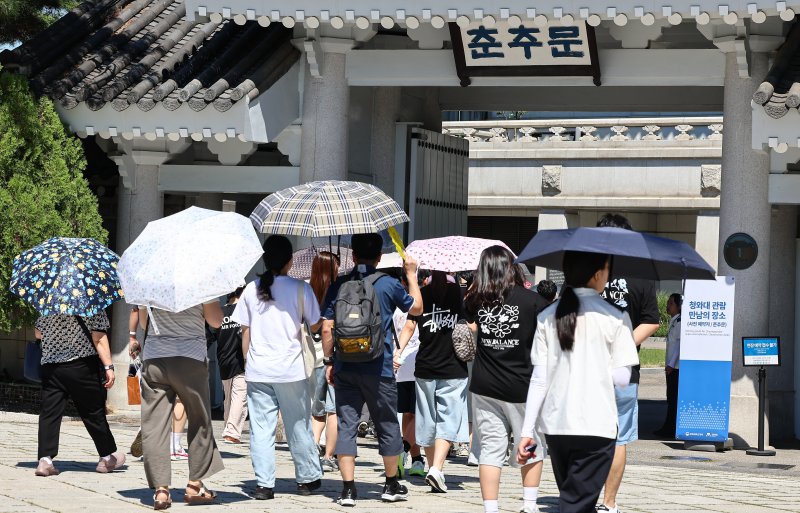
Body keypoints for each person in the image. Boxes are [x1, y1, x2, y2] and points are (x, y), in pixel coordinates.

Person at [517, 250, 639, 513]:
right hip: (597, 425)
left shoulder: (548, 316)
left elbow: (539, 378)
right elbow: (622, 378)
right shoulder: (615, 316)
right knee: (576, 504)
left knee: (576, 501)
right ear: (598, 274)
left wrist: (527, 431)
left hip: (557, 426)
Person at [321, 233, 423, 507]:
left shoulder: (339, 284)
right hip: (380, 368)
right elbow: (417, 308)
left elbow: (328, 328)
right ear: (379, 257)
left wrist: (330, 361)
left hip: (345, 367)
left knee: (347, 425)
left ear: (352, 255)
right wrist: (411, 274)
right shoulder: (388, 284)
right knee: (387, 424)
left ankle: (348, 490)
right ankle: (390, 485)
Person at [230, 235, 324, 500]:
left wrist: (249, 361)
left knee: (260, 428)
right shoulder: (300, 288)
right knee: (298, 424)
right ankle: (306, 479)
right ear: (290, 261)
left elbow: (244, 332)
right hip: (290, 368)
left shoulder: (250, 289)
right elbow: (315, 324)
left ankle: (263, 484)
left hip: (259, 368)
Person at [464, 246, 550, 513]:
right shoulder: (533, 301)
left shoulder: (474, 300)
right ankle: (530, 505)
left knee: (490, 449)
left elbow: (469, 329)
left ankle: (491, 508)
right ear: (511, 267)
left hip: (484, 384)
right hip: (523, 385)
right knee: (531, 443)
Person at [596, 213, 660, 513]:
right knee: (618, 437)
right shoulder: (642, 275)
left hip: (587, 366)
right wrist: (622, 345)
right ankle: (608, 502)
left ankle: (584, 496)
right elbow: (651, 321)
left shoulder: (588, 271)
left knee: (586, 433)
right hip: (623, 369)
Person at [137, 300, 225, 510]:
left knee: (154, 425)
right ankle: (195, 485)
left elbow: (143, 324)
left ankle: (161, 491)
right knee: (199, 419)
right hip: (190, 357)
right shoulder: (200, 283)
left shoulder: (149, 283)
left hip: (155, 357)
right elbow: (216, 321)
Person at [395, 270, 468, 493]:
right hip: (453, 367)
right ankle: (436, 469)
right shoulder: (459, 293)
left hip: (425, 366)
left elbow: (409, 326)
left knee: (427, 421)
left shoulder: (422, 294)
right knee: (448, 418)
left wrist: (398, 352)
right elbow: (472, 325)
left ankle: (434, 469)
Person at [33, 311, 126, 477]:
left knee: (49, 413)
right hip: (81, 365)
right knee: (93, 412)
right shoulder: (91, 302)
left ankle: (45, 461)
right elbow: (98, 337)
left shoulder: (50, 302)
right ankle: (106, 457)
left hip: (51, 367)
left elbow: (38, 333)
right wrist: (108, 367)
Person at [129, 306, 189, 460]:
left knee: (156, 397)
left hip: (153, 349)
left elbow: (141, 318)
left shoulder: (150, 288)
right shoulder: (187, 292)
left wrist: (132, 337)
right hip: (180, 349)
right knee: (181, 398)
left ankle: (151, 437)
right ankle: (174, 446)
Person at [309, 251, 341, 472]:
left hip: (310, 358)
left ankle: (311, 451)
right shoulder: (337, 291)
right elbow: (328, 327)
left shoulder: (307, 291)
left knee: (317, 411)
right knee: (333, 410)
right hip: (330, 357)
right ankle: (329, 456)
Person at [392, 271, 425, 478]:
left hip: (400, 366)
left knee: (408, 414)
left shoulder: (395, 305)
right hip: (416, 366)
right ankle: (404, 449)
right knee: (416, 414)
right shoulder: (419, 305)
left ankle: (416, 459)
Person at [213, 287, 247, 445]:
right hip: (241, 360)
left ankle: (228, 428)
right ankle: (231, 433)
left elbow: (209, 335)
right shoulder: (244, 311)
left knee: (228, 398)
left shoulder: (220, 313)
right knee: (240, 396)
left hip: (223, 360)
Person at [655, 293, 682, 438]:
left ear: (679, 306)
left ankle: (670, 429)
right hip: (672, 367)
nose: (668, 306)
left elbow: (679, 345)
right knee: (670, 398)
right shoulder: (674, 321)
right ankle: (668, 427)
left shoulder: (680, 322)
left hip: (676, 368)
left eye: (671, 303)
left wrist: (671, 364)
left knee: (673, 398)